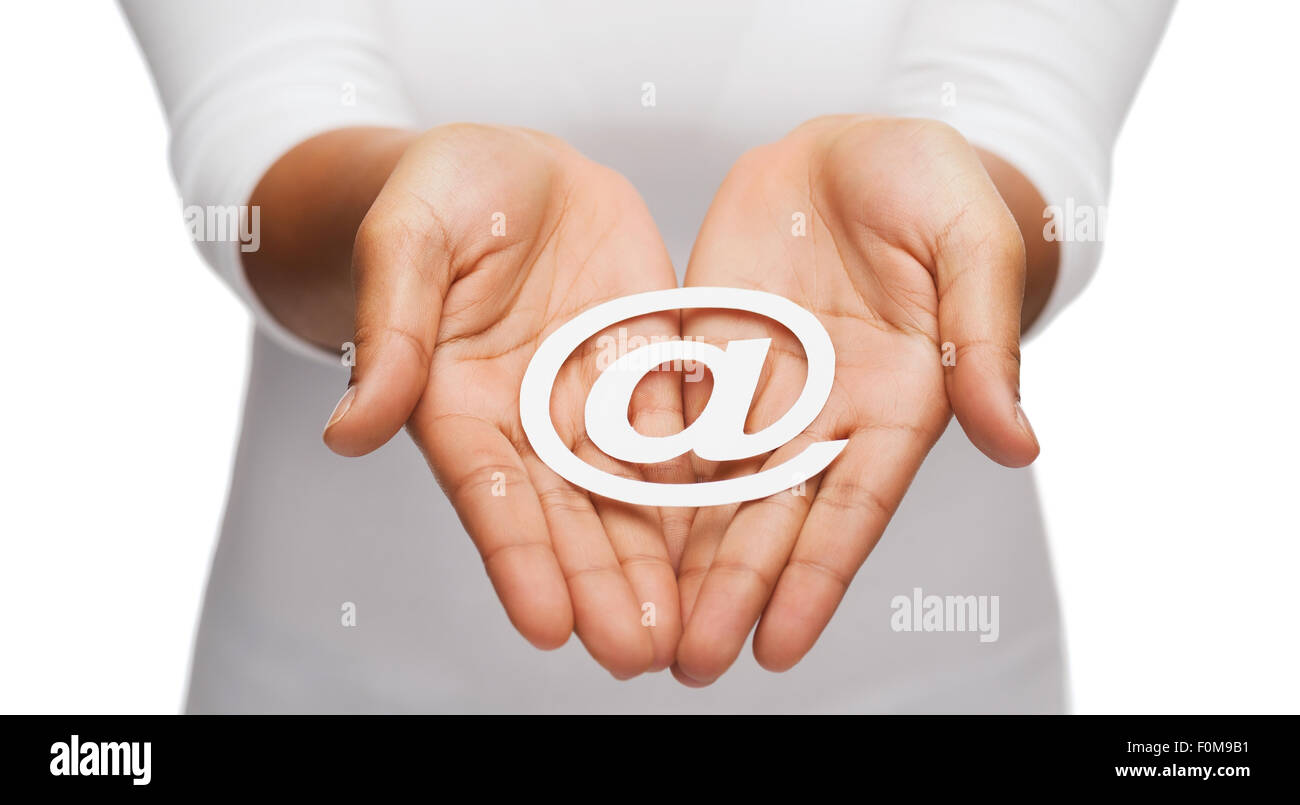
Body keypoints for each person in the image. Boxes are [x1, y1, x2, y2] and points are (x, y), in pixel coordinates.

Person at [120, 0, 1173, 713]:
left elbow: (1027, 113)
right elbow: (259, 109)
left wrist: (956, 227)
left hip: (924, 680)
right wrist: (403, 228)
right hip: (341, 675)